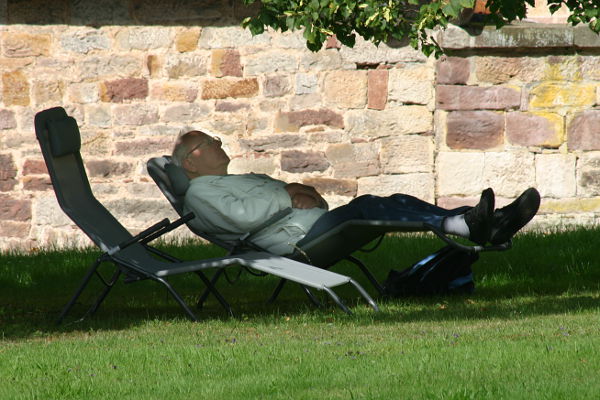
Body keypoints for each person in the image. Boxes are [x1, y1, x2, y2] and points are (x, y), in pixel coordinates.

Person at [172, 130, 541, 256]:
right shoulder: (199, 194)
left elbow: (294, 198)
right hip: (297, 243)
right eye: (209, 142)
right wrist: (288, 193)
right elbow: (244, 219)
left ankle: (481, 222)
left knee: (390, 202)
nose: (219, 144)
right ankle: (465, 223)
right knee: (367, 208)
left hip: (310, 226)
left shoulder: (226, 181)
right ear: (191, 161)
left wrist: (307, 195)